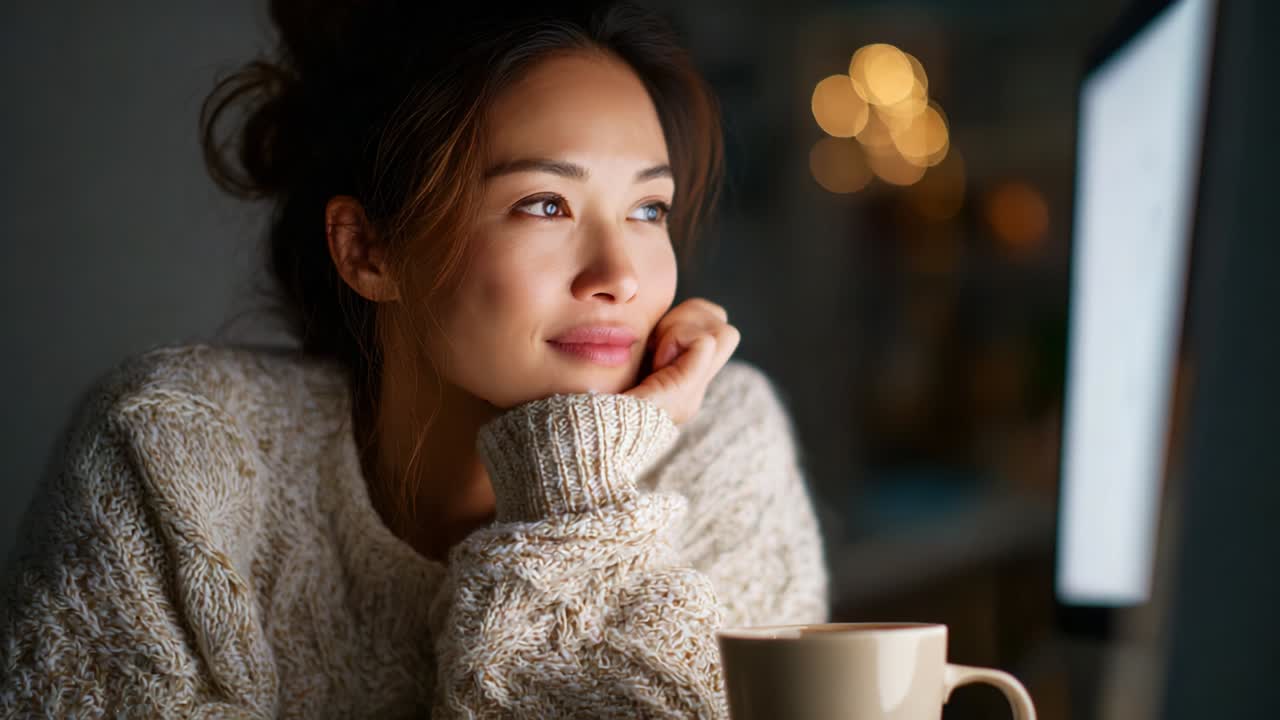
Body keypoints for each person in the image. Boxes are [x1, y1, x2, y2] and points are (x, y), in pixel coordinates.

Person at [0, 1, 828, 716]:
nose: (619, 276)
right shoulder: (172, 449)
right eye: (545, 203)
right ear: (368, 250)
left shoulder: (722, 439)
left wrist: (582, 483)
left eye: (649, 208)